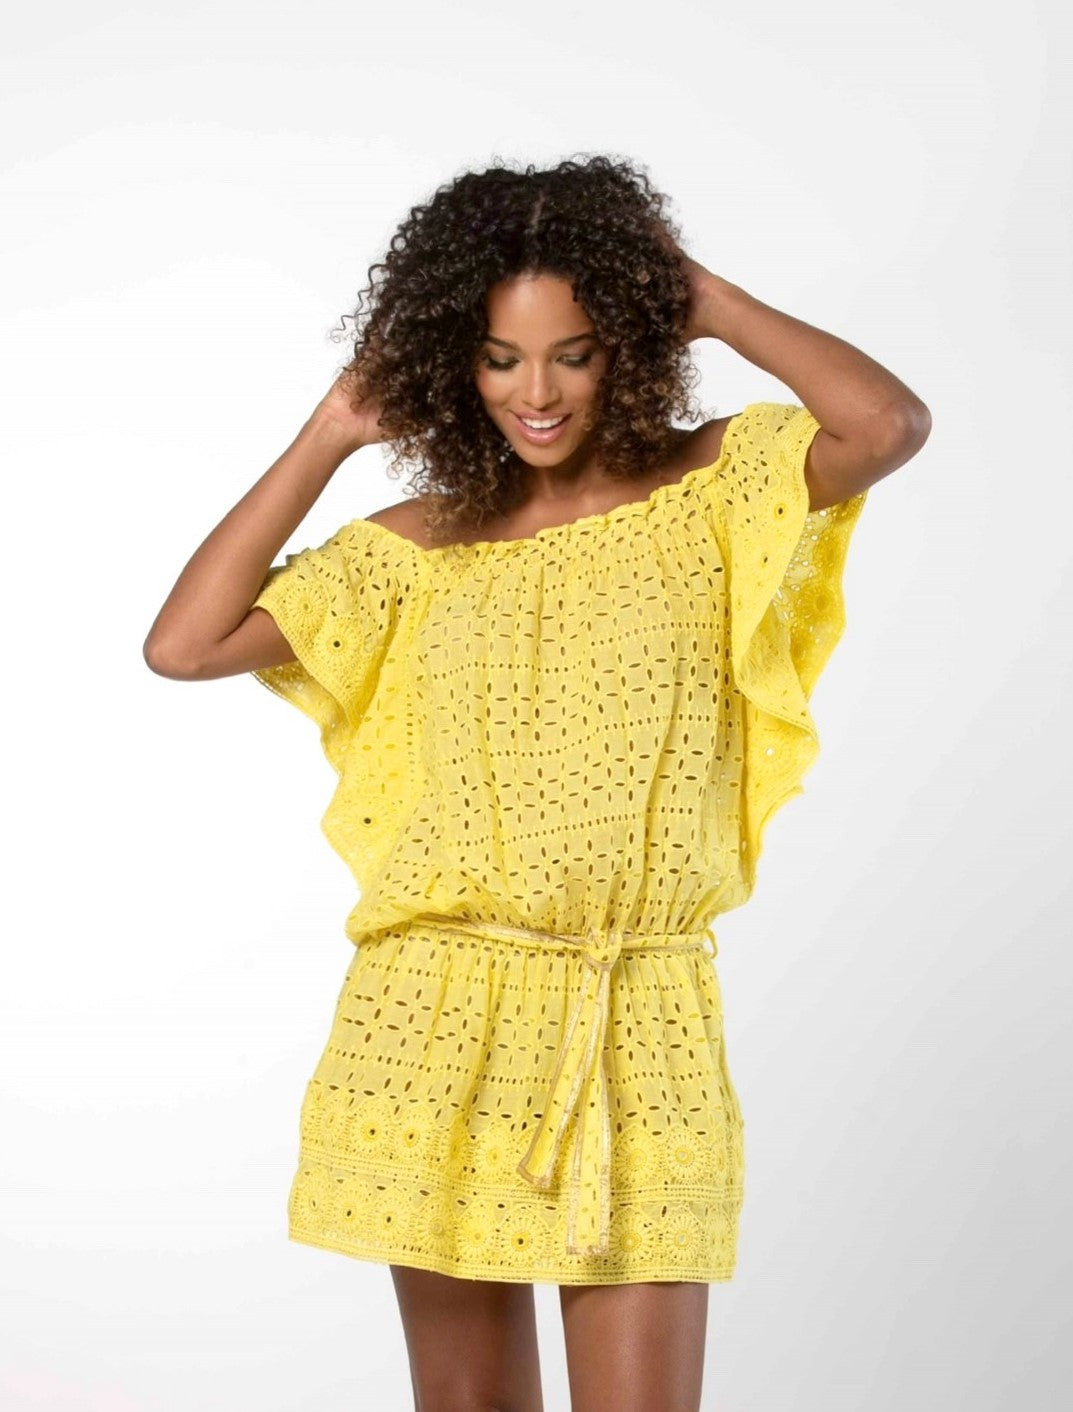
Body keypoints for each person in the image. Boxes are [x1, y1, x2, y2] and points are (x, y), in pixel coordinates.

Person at [144, 154, 930, 1412]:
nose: (538, 392)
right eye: (499, 358)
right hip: (433, 1008)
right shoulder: (413, 549)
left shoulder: (712, 488)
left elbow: (883, 426)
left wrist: (707, 297)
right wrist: (334, 428)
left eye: (573, 351)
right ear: (457, 363)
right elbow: (185, 644)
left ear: (627, 342)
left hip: (639, 1000)